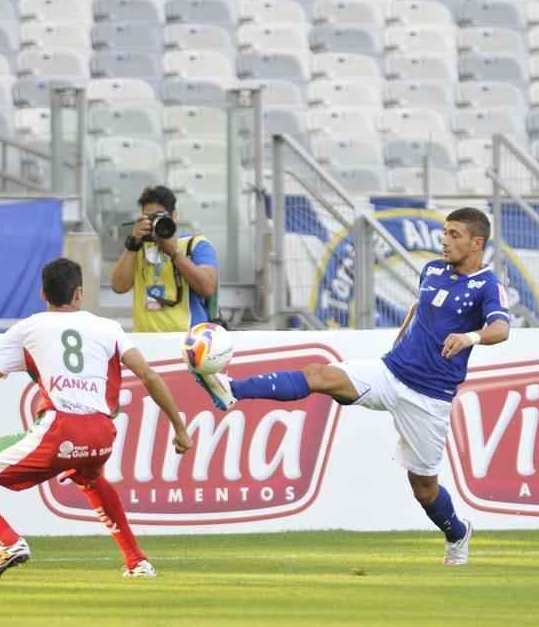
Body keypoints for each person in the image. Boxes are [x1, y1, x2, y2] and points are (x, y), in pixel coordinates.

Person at [196, 208, 509, 565]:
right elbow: (420, 308)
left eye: (454, 234)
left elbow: (501, 329)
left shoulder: (487, 285)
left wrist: (469, 337)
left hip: (429, 397)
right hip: (390, 372)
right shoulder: (433, 269)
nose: (445, 240)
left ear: (476, 242)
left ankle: (457, 532)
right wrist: (401, 340)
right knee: (319, 375)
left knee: (424, 489)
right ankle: (232, 387)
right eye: (445, 232)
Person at [0, 258, 193, 580]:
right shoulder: (109, 328)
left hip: (60, 430)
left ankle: (9, 543)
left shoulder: (28, 329)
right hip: (102, 435)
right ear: (79, 294)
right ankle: (137, 562)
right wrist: (179, 427)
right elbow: (148, 375)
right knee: (91, 479)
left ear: (43, 294)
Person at [110, 185, 219, 333]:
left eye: (159, 217)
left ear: (174, 216)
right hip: (146, 342)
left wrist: (174, 253)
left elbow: (207, 287)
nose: (155, 223)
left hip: (187, 341)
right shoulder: (138, 248)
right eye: (149, 218)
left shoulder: (195, 245)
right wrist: (133, 244)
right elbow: (119, 286)